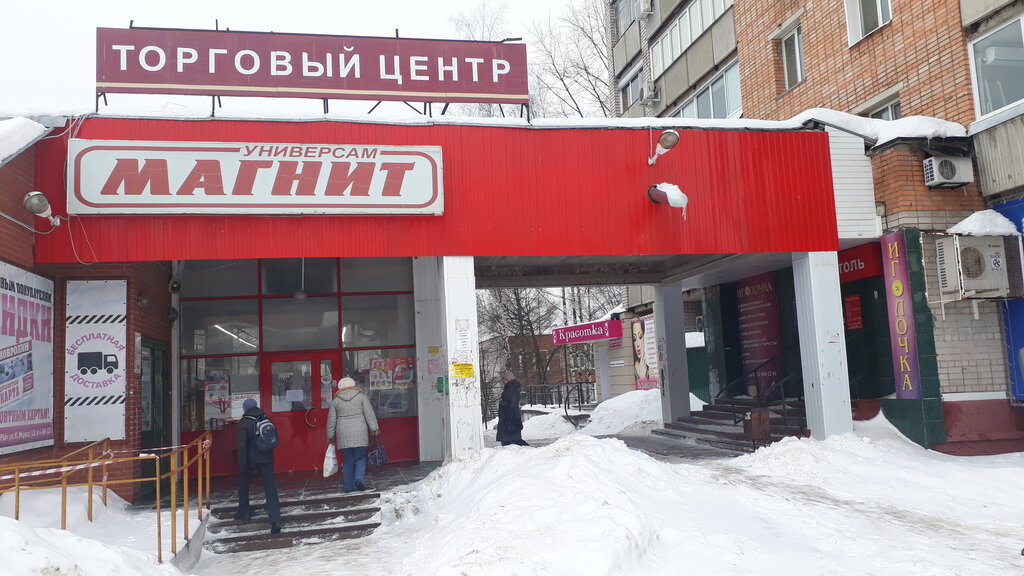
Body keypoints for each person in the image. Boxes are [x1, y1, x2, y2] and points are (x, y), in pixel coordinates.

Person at [236, 398, 281, 534]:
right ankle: (275, 520)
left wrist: (242, 464)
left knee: (243, 484)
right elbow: (275, 439)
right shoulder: (266, 419)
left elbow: (242, 445)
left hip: (251, 459)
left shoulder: (244, 422)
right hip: (267, 459)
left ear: (245, 408)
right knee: (270, 488)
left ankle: (244, 512)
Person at [327, 377, 380, 493]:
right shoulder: (361, 397)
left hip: (343, 434)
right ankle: (359, 480)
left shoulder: (336, 401)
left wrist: (330, 436)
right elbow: (369, 414)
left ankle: (348, 486)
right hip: (359, 432)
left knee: (348, 459)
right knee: (360, 457)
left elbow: (331, 421)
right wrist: (374, 428)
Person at [496, 370, 528, 447]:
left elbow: (513, 403)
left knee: (511, 440)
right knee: (511, 440)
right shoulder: (510, 388)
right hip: (508, 418)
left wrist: (503, 404)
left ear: (507, 379)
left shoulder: (511, 389)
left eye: (504, 379)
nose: (502, 381)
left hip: (509, 418)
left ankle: (528, 450)